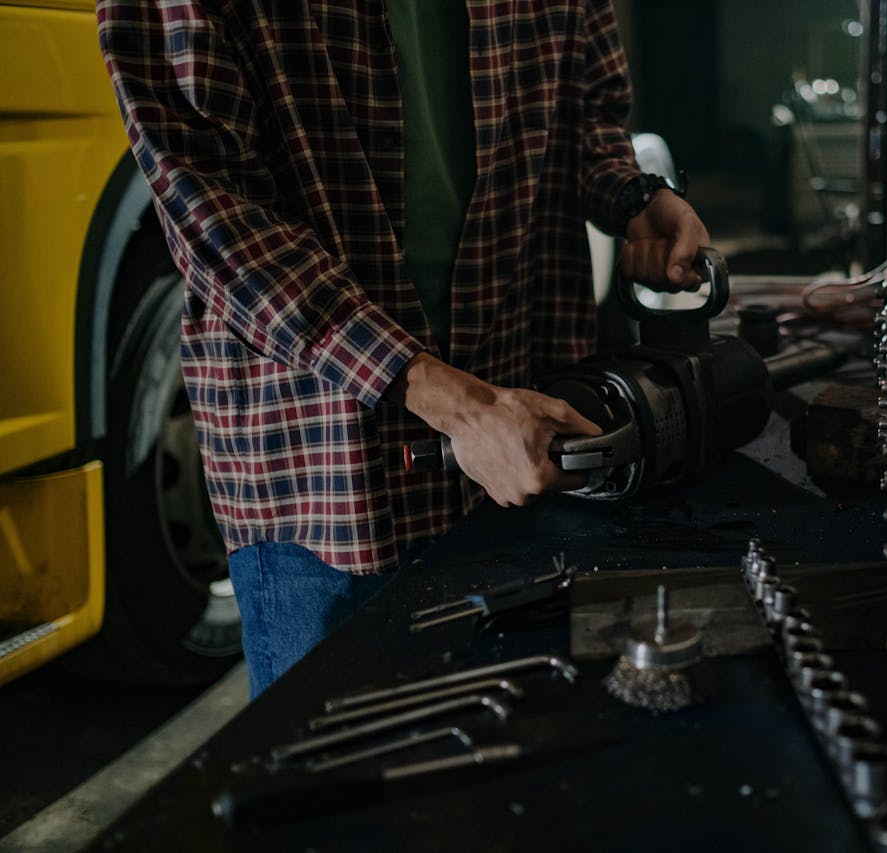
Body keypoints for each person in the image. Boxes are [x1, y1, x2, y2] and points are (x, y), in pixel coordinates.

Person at [97, 0, 711, 697]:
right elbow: (212, 206)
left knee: (523, 771)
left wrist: (635, 199)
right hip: (330, 468)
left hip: (530, 433)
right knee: (331, 778)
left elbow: (585, 116)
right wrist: (454, 402)